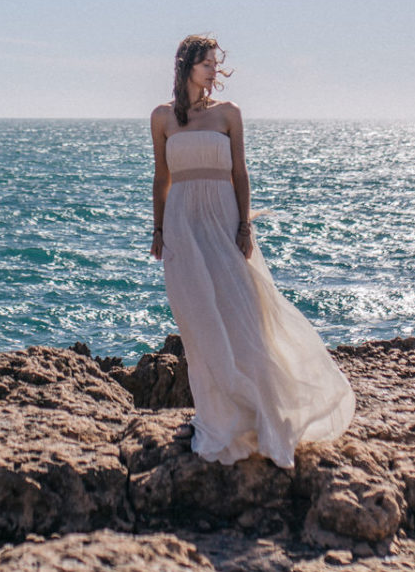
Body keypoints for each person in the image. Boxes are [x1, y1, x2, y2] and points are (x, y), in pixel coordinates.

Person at [149, 34, 355, 467]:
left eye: (214, 64)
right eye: (205, 63)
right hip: (183, 226)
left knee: (243, 311)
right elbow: (161, 179)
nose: (212, 71)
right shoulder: (162, 117)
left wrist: (244, 226)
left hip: (223, 221)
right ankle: (215, 412)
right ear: (186, 66)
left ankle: (263, 407)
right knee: (198, 318)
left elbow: (240, 172)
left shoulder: (229, 114)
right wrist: (158, 230)